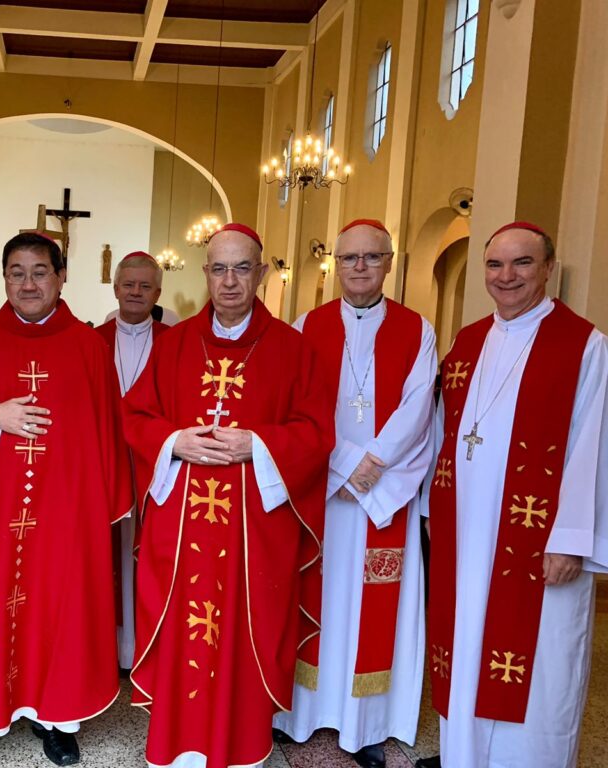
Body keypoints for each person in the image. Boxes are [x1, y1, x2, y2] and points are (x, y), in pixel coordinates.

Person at [123, 223, 333, 768]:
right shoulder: (172, 344)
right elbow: (137, 417)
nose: (231, 281)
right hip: (183, 526)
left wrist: (259, 444)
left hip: (254, 533)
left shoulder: (293, 348)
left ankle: (240, 747)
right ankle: (176, 743)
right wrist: (175, 440)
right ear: (205, 274)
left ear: (261, 273)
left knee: (247, 628)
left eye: (243, 268)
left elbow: (316, 432)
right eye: (219, 268)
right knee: (181, 629)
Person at [0, 232, 131, 766]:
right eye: (16, 272)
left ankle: (58, 722)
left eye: (39, 272)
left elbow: (107, 431)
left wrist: (93, 514)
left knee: (61, 610)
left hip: (66, 517)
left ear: (61, 277)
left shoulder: (89, 347)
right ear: (3, 280)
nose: (28, 283)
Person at [419, 221, 608, 768]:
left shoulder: (584, 346)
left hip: (539, 542)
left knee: (543, 663)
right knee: (466, 648)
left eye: (522, 263)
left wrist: (571, 538)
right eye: (495, 265)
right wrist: (436, 508)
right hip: (465, 531)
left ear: (549, 268)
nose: (507, 276)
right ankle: (463, 756)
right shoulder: (470, 340)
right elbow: (444, 429)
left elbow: (593, 445)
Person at [275, 219, 436, 768]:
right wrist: (345, 467)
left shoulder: (419, 329)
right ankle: (300, 715)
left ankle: (366, 725)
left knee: (375, 607)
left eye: (372, 257)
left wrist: (371, 469)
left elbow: (418, 408)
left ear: (390, 263)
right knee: (317, 597)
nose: (360, 267)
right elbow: (296, 408)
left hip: (382, 494)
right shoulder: (305, 326)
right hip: (324, 491)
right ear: (335, 265)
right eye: (350, 258)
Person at [94, 251, 169, 670]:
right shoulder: (92, 341)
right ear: (116, 287)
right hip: (103, 465)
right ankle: (108, 647)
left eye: (145, 286)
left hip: (152, 467)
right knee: (104, 558)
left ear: (158, 292)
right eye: (129, 284)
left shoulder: (175, 343)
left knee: (145, 556)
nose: (136, 292)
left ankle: (140, 648)